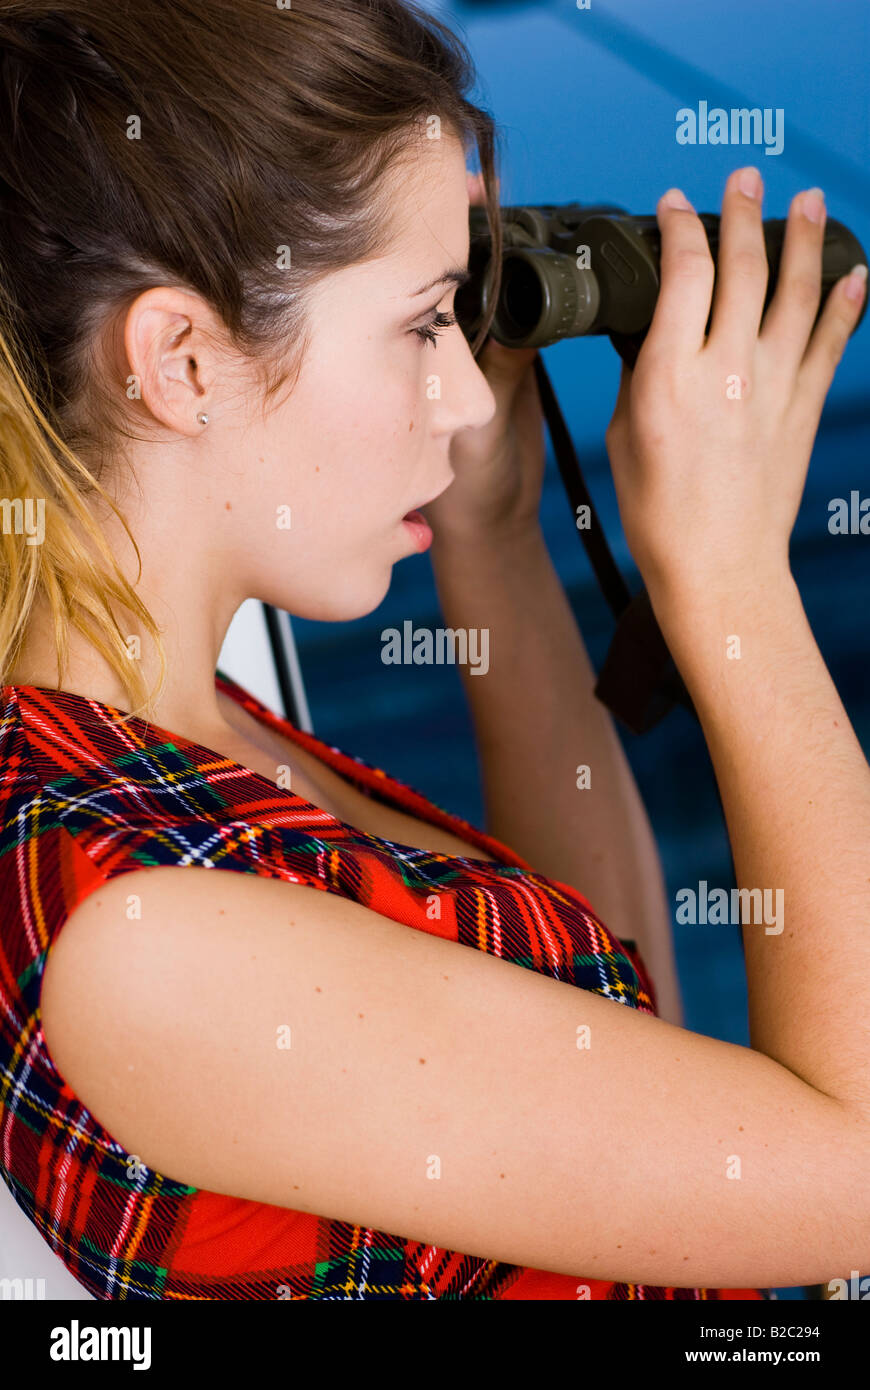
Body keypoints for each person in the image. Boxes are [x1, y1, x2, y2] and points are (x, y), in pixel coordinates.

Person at [0, 0, 867, 1302]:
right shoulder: (142, 921)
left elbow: (605, 1034)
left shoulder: (175, 751)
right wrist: (727, 574)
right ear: (181, 362)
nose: (463, 391)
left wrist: (494, 539)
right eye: (419, 325)